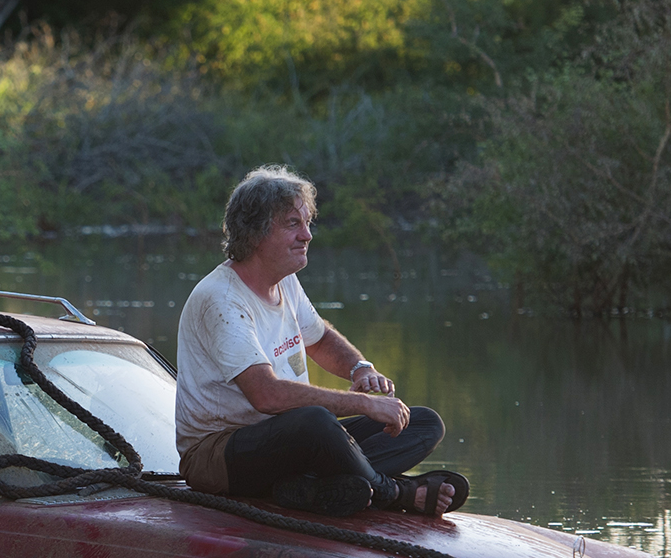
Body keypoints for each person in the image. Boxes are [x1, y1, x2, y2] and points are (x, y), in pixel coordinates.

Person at [174, 165, 469, 516]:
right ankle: (396, 492)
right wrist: (363, 405)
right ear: (254, 234)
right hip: (218, 456)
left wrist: (359, 369)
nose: (307, 235)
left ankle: (309, 488)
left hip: (290, 442)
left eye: (307, 223)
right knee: (315, 421)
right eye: (293, 224)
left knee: (421, 421)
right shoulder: (221, 298)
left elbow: (319, 338)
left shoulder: (283, 279)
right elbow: (266, 395)